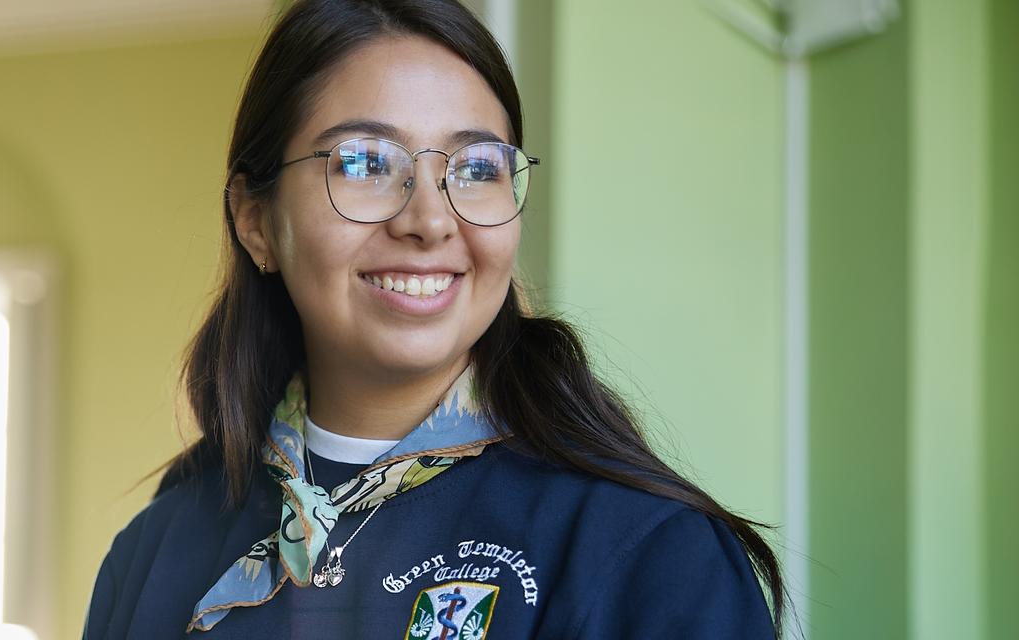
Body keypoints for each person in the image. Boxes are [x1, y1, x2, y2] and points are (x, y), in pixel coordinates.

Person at [82, 1, 787, 638]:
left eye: (477, 169)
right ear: (256, 220)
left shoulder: (649, 551)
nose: (428, 219)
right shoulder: (152, 554)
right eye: (363, 162)